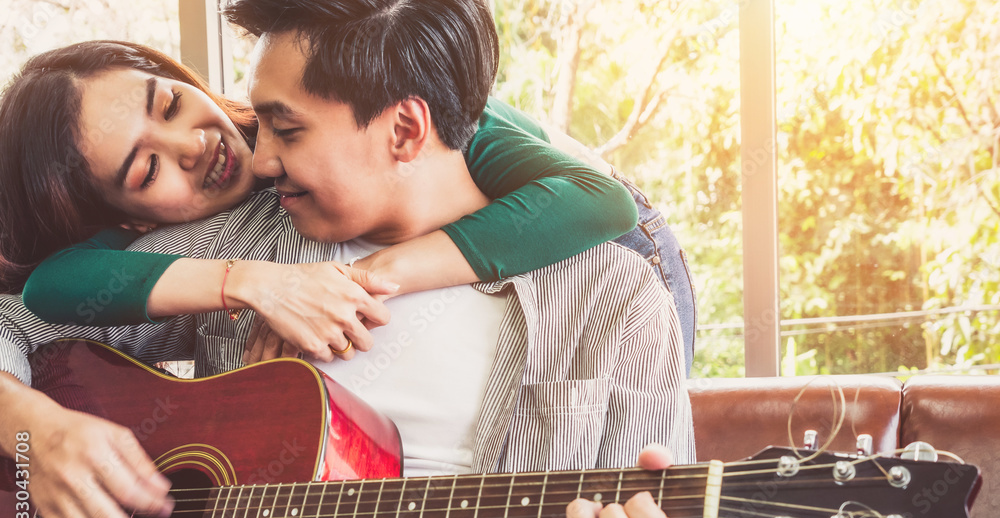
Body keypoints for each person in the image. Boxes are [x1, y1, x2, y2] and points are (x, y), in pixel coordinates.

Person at [0, 0, 718, 518]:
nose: (258, 158)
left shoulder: (613, 295)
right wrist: (42, 435)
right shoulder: (240, 241)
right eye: (264, 122)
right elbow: (20, 316)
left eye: (286, 129)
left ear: (406, 129)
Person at [1, 46, 697, 373]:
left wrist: (345, 286)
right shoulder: (227, 225)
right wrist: (255, 282)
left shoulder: (373, 114)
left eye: (170, 103)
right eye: (148, 167)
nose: (194, 141)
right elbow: (50, 288)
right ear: (130, 221)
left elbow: (596, 201)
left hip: (621, 239)